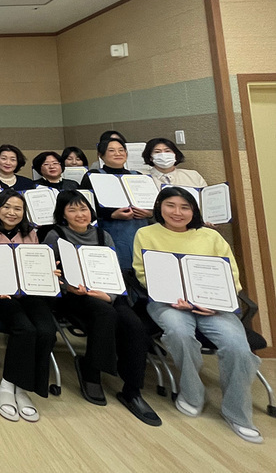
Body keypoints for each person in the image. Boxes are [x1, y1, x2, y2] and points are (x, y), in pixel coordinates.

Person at [133, 187, 262, 444]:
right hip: (168, 302)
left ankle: (238, 414)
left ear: (194, 211)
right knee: (179, 334)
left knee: (238, 347)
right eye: (171, 205)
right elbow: (143, 272)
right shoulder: (146, 233)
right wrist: (172, 297)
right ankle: (193, 394)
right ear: (160, 207)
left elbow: (230, 274)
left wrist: (215, 302)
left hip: (213, 305)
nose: (177, 212)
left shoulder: (210, 236)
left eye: (185, 207)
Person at [43, 191, 160, 425]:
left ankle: (132, 390)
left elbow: (114, 269)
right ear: (63, 215)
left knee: (135, 325)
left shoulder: (102, 235)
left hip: (108, 293)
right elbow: (49, 273)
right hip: (74, 296)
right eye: (72, 210)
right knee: (104, 314)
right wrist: (68, 287)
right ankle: (91, 372)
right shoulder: (55, 235)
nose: (80, 214)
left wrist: (109, 294)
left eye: (83, 209)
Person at [0, 189, 56, 423]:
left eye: (17, 208)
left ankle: (24, 388)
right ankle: (7, 386)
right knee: (24, 329)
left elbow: (36, 263)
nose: (12, 212)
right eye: (7, 207)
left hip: (29, 293)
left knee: (47, 331)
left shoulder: (31, 233)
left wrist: (48, 273)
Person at [80, 136, 152, 269]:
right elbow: (85, 206)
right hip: (109, 229)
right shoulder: (93, 175)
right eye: (111, 150)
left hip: (140, 227)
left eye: (121, 150)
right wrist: (111, 215)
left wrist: (148, 213)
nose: (118, 153)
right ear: (101, 155)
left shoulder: (138, 176)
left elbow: (153, 204)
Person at [142, 138, 208, 188]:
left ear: (175, 154)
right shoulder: (142, 177)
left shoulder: (193, 176)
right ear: (150, 157)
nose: (163, 155)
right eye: (157, 152)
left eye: (167, 151)